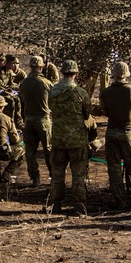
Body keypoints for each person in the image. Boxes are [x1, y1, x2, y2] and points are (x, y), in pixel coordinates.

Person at [48, 59, 92, 215]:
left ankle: (55, 205)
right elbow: (87, 113)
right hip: (77, 140)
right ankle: (80, 207)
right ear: (75, 73)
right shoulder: (81, 93)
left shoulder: (53, 91)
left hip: (58, 139)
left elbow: (50, 108)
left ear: (63, 72)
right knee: (78, 175)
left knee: (57, 174)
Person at [99, 61, 131, 209]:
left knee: (114, 168)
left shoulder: (105, 92)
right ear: (127, 73)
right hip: (128, 132)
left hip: (111, 132)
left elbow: (105, 112)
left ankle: (119, 200)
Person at [18, 55, 52, 186]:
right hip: (43, 119)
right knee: (48, 150)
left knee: (30, 151)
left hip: (29, 119)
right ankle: (53, 176)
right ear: (41, 67)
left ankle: (35, 178)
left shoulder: (24, 83)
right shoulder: (46, 83)